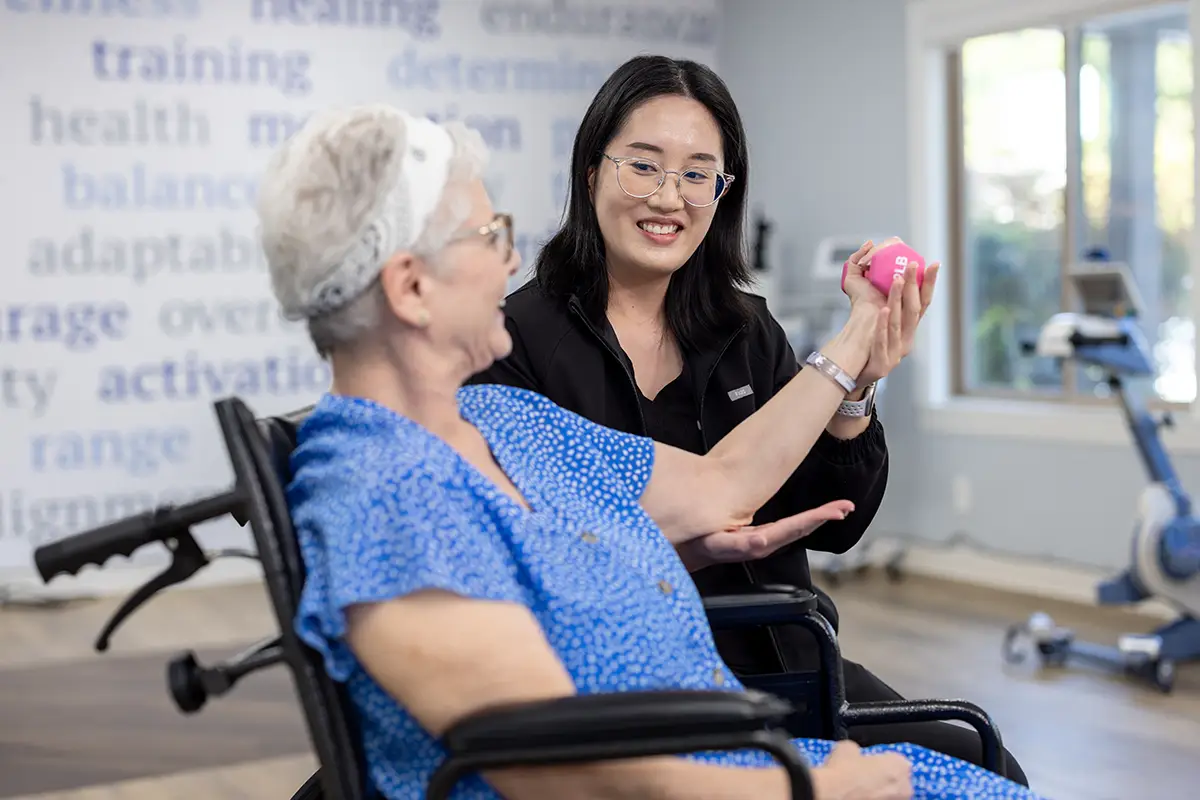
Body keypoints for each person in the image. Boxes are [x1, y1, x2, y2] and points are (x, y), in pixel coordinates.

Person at [256, 103, 1044, 800]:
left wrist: (856, 345)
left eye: (698, 174)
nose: (507, 257)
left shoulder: (502, 419)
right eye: (488, 235)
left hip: (717, 749)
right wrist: (806, 787)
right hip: (697, 770)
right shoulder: (385, 491)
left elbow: (722, 485)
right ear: (410, 288)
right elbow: (563, 769)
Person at [468, 54, 1028, 786]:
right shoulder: (514, 342)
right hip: (621, 678)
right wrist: (838, 357)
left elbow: (836, 525)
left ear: (724, 192)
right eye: (644, 166)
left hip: (781, 655)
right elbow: (552, 552)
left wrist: (852, 393)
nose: (669, 197)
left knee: (985, 759)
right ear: (591, 171)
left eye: (699, 174)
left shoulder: (747, 329)